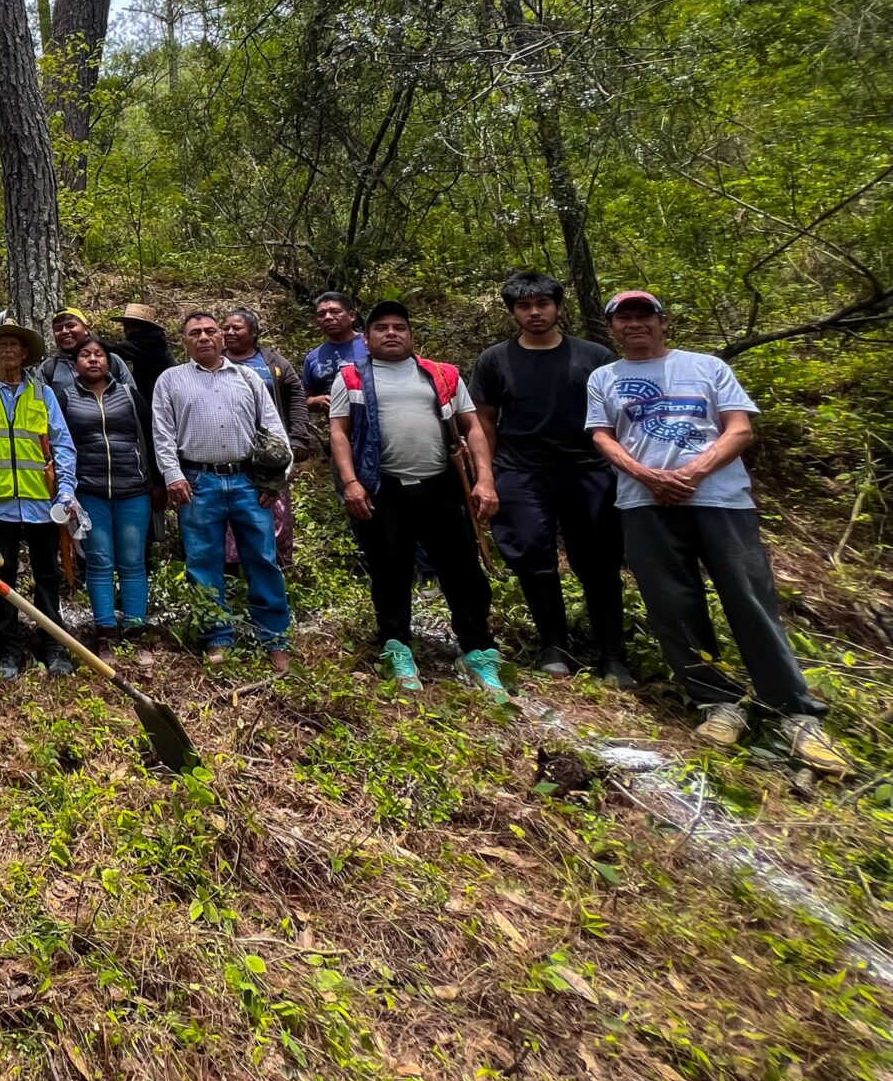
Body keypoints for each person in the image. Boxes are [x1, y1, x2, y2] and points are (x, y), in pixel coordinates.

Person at [585, 291, 844, 772]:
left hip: (720, 499)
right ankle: (719, 702)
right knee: (671, 604)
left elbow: (740, 429)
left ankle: (795, 712)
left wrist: (693, 473)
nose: (635, 324)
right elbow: (602, 435)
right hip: (643, 503)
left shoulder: (707, 367)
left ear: (664, 322)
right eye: (625, 319)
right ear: (612, 329)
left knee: (749, 598)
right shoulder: (605, 377)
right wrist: (649, 476)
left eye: (645, 316)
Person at [326, 301, 505, 700]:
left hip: (441, 484)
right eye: (382, 328)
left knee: (462, 569)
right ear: (367, 338)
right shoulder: (352, 377)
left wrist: (485, 479)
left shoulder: (442, 375)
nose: (391, 333)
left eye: (399, 327)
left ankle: (478, 649)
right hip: (383, 486)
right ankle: (397, 647)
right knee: (389, 569)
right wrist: (351, 482)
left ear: (411, 334)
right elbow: (339, 432)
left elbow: (472, 427)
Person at [472, 273, 629, 684]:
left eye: (543, 304)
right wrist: (485, 477)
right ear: (513, 312)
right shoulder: (496, 359)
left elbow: (617, 416)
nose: (535, 313)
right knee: (532, 558)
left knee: (599, 562)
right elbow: (483, 421)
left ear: (558, 307)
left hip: (589, 470)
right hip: (521, 472)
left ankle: (613, 655)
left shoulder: (593, 356)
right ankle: (554, 645)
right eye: (524, 306)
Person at [152, 313, 294, 670]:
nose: (204, 337)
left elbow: (274, 428)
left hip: (248, 481)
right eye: (194, 333)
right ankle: (217, 636)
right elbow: (162, 434)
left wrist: (277, 479)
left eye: (210, 331)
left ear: (221, 338)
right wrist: (172, 475)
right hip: (198, 483)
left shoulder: (247, 377)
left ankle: (274, 638)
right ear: (183, 341)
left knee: (262, 558)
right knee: (203, 560)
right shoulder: (171, 380)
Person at [0, 321, 79, 679]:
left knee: (47, 577)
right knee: (2, 580)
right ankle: (8, 651)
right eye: (2, 346)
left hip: (41, 504)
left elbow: (62, 444)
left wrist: (66, 491)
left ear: (25, 353)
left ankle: (55, 647)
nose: (8, 351)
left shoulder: (42, 393)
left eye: (15, 345)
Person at [60, 338, 153, 658]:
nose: (93, 360)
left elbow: (149, 437)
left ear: (109, 362)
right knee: (99, 562)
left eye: (99, 354)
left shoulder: (129, 395)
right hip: (89, 491)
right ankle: (106, 634)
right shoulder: (65, 397)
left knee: (133, 562)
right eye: (85, 355)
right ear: (76, 364)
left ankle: (136, 632)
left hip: (133, 491)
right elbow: (58, 443)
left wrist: (156, 483)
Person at [220, 308, 308, 564]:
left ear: (254, 332)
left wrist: (297, 437)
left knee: (273, 506)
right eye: (225, 328)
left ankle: (278, 563)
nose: (229, 332)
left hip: (270, 452)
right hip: (231, 451)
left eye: (237, 328)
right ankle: (234, 568)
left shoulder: (272, 362)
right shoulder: (216, 361)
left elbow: (296, 397)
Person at [110, 304, 174, 440]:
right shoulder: (153, 342)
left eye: (129, 325)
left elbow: (117, 349)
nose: (126, 330)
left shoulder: (149, 343)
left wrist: (89, 345)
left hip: (158, 400)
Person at [303, 291, 368, 420]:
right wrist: (317, 401)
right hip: (339, 430)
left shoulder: (371, 345)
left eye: (335, 312)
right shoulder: (313, 357)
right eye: (322, 314)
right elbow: (303, 400)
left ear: (352, 316)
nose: (328, 317)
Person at [39, 308, 122, 396]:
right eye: (58, 329)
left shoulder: (112, 361)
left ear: (86, 329)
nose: (64, 331)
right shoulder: (47, 369)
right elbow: (37, 403)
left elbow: (131, 399)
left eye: (71, 326)